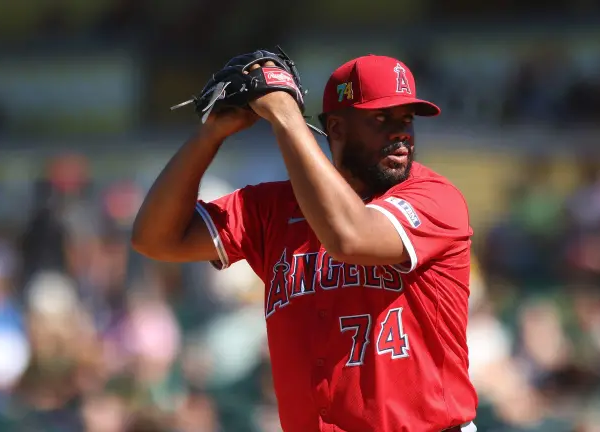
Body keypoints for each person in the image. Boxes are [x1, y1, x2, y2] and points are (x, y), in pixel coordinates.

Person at [131, 53, 478, 432]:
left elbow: (348, 236)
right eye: (381, 119)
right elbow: (155, 239)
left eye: (406, 119)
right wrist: (209, 136)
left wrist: (284, 115)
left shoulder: (434, 198)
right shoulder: (271, 208)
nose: (400, 132)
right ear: (336, 128)